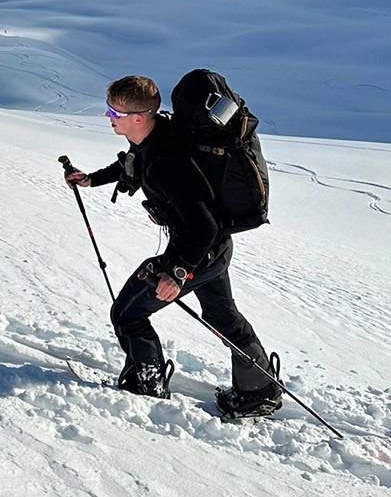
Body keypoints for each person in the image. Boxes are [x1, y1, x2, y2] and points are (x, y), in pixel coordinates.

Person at [65, 74, 281, 418]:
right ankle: (257, 391)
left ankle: (146, 384)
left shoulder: (166, 163)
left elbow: (202, 226)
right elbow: (131, 164)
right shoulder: (158, 136)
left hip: (198, 251)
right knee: (222, 316)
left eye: (113, 111)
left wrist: (178, 273)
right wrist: (92, 179)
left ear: (138, 118)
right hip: (213, 251)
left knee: (128, 313)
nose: (108, 116)